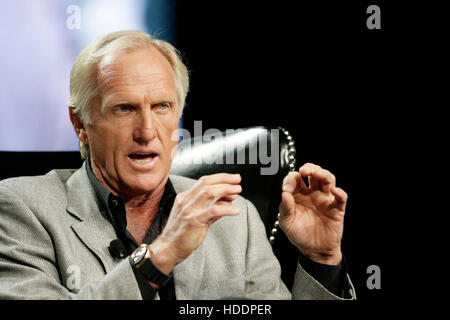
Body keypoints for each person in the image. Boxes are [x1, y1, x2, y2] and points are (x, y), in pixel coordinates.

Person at [0, 30, 355, 300]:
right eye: (124, 109)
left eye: (162, 107)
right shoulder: (23, 208)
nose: (146, 131)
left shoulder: (236, 220)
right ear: (80, 124)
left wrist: (322, 261)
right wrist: (159, 256)